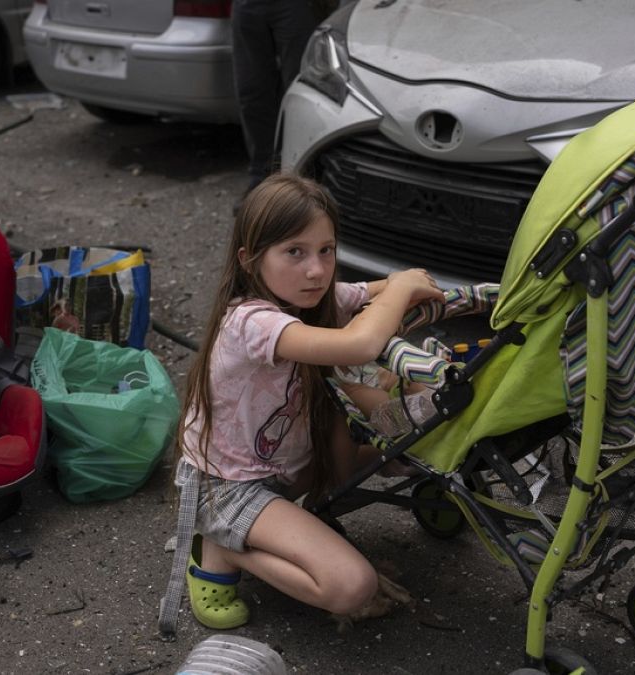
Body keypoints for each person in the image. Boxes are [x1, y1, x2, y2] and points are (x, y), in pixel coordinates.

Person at [157, 174, 443, 636]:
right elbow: (360, 345)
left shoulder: (310, 295)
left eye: (326, 250)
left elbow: (363, 294)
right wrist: (403, 287)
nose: (316, 270)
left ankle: (397, 463)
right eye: (295, 252)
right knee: (352, 587)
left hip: (285, 464)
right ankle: (222, 550)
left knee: (391, 431)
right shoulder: (250, 321)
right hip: (229, 488)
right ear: (249, 260)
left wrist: (396, 283)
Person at [230, 0, 322, 198]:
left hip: (291, 6)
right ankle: (261, 178)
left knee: (301, 92)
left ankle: (301, 179)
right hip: (246, 6)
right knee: (251, 91)